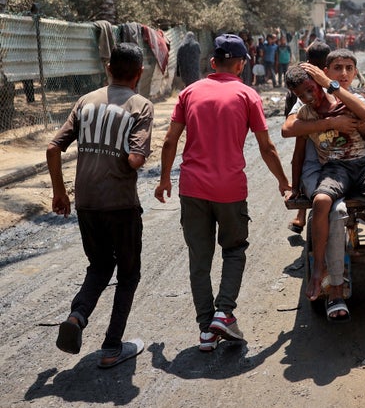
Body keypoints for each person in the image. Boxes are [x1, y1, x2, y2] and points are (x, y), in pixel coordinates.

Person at [154, 34, 290, 352]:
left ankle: (206, 330)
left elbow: (170, 141)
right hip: (230, 190)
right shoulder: (247, 95)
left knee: (199, 260)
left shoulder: (189, 93)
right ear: (241, 64)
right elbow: (267, 147)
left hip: (192, 189)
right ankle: (224, 312)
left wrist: (164, 180)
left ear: (212, 63)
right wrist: (283, 182)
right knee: (234, 250)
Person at [283, 49, 365, 317]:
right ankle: (334, 284)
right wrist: (333, 121)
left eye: (349, 68)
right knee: (335, 211)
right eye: (337, 68)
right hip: (328, 167)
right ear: (325, 73)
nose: (343, 73)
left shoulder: (352, 96)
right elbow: (290, 130)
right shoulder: (308, 103)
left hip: (360, 166)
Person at [49, 43, 152, 368]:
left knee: (99, 265)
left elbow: (53, 148)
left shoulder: (86, 101)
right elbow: (135, 160)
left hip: (87, 202)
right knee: (129, 273)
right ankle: (111, 347)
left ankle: (78, 316)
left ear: (108, 68)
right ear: (139, 74)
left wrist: (59, 193)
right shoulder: (140, 106)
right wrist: (135, 154)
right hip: (120, 204)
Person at [284, 40, 332, 234]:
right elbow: (289, 128)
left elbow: (291, 128)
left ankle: (301, 215)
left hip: (307, 135)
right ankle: (302, 214)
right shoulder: (328, 83)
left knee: (302, 157)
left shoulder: (298, 85)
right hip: (315, 135)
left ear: (307, 58)